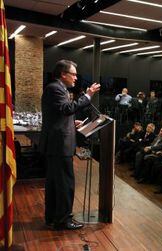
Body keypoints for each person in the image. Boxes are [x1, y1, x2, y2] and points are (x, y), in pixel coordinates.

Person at [40, 59, 100, 230]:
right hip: (59, 145)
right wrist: (88, 95)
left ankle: (52, 217)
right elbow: (67, 108)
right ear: (63, 74)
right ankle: (63, 220)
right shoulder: (55, 88)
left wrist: (71, 122)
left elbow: (59, 113)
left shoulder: (59, 88)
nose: (75, 77)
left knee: (55, 184)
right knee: (65, 184)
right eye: (73, 74)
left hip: (56, 144)